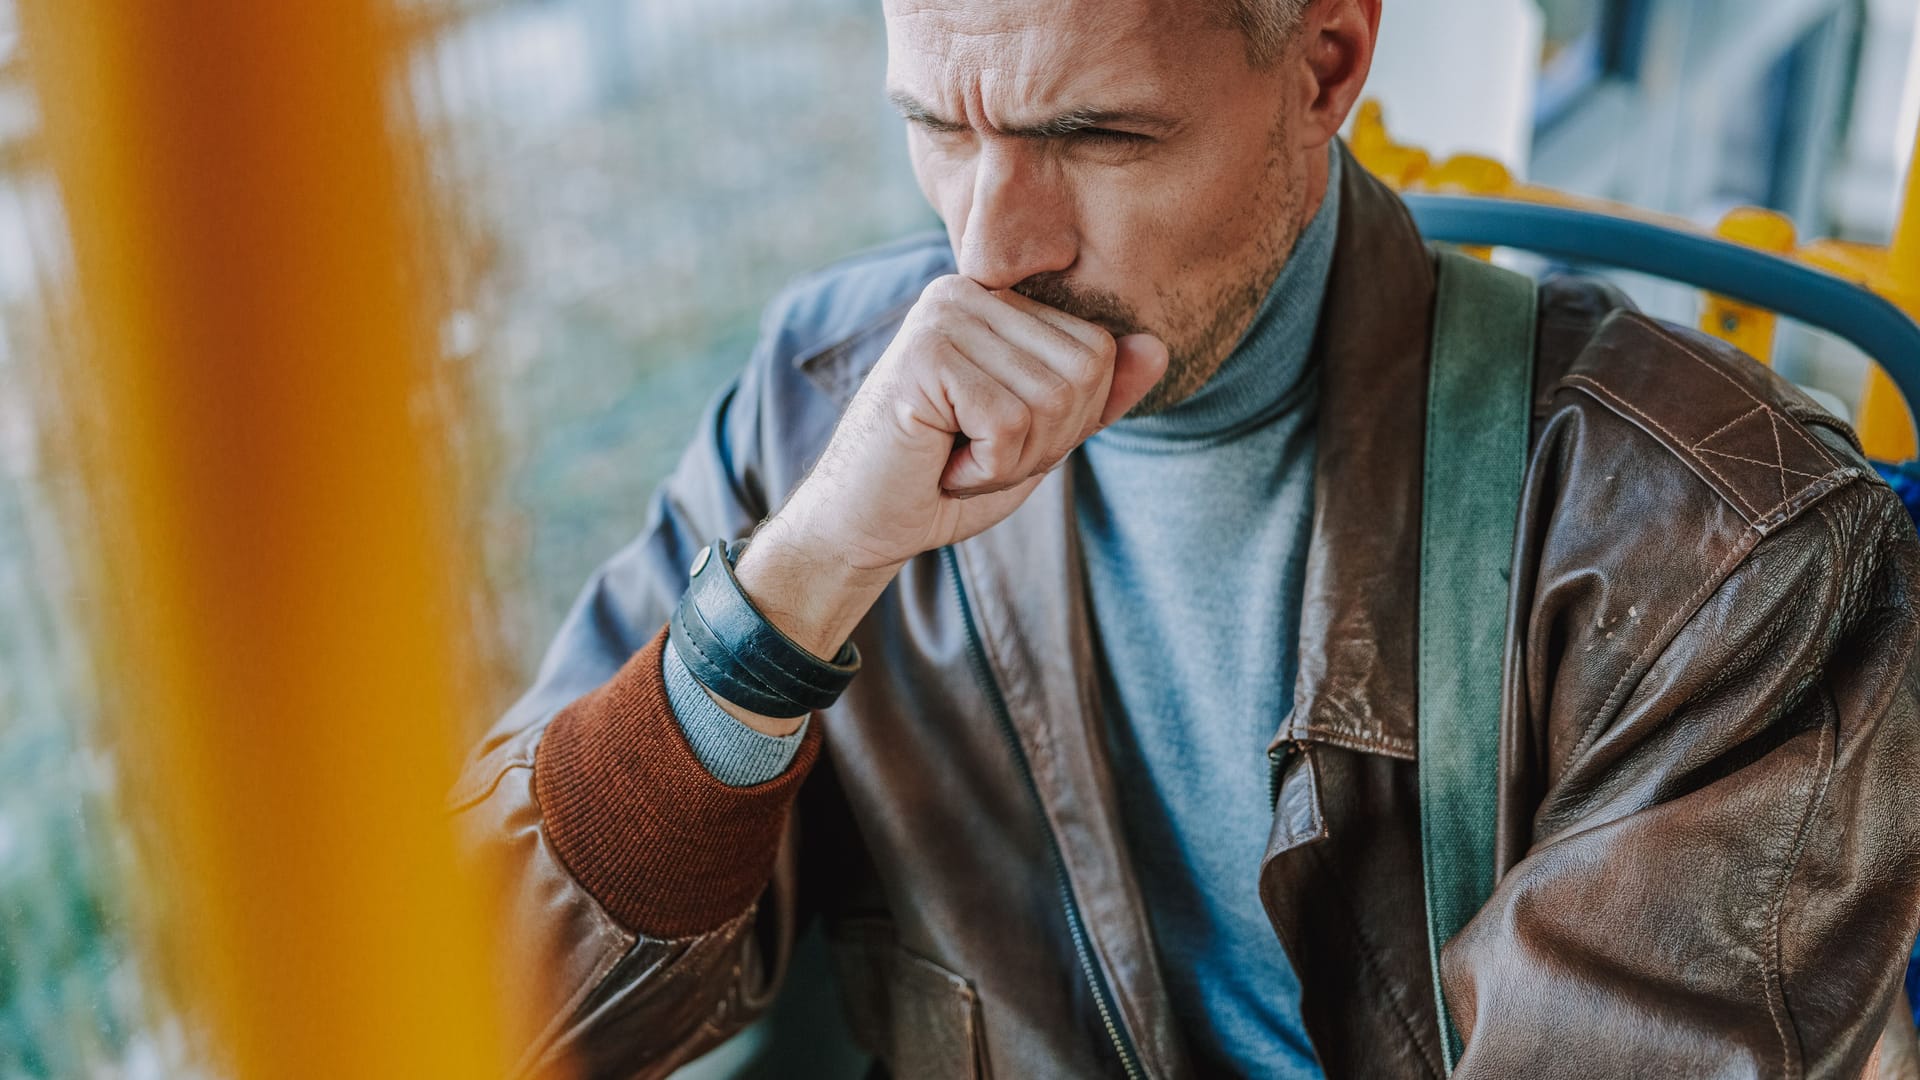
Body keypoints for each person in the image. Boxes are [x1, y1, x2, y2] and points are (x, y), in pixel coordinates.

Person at [452, 0, 1920, 1075]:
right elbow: (469, 1010)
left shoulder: (1729, 557)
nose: (988, 250)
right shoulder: (815, 412)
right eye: (937, 128)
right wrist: (800, 584)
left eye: (1093, 135)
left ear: (1328, 62)